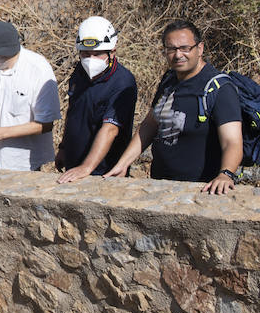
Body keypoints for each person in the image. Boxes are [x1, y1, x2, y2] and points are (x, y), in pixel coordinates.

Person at [104, 19, 243, 194]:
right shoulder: (169, 80)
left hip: (199, 190)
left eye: (185, 48)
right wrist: (123, 164)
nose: (178, 55)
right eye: (171, 49)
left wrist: (226, 174)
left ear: (200, 49)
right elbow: (149, 125)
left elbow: (233, 141)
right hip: (160, 187)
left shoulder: (219, 88)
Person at [0, 20, 61, 172]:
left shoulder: (38, 69)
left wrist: (0, 133)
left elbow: (46, 124)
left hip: (21, 164)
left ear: (0, 54)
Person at [55, 16, 137, 184]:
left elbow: (110, 129)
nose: (90, 59)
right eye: (85, 54)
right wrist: (63, 148)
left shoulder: (122, 82)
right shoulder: (79, 72)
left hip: (103, 170)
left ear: (112, 52)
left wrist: (86, 167)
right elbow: (73, 111)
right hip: (74, 163)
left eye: (97, 54)